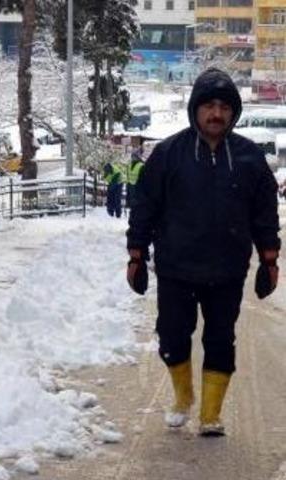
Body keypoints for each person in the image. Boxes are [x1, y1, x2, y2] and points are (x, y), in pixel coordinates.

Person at [126, 67, 281, 436]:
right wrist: (136, 254)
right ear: (195, 109)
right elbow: (144, 205)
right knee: (172, 336)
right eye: (209, 105)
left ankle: (211, 414)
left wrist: (270, 260)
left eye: (224, 107)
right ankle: (182, 396)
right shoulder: (168, 155)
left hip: (227, 270)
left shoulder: (249, 158)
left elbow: (264, 213)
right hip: (176, 268)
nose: (216, 113)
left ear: (234, 112)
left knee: (220, 339)